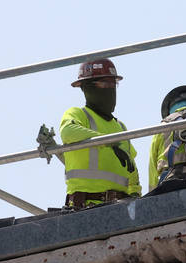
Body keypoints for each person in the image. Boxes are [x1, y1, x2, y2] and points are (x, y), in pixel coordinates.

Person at [60, 58, 141, 208]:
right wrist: (108, 142)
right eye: (104, 84)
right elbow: (68, 132)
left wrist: (136, 195)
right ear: (86, 88)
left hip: (120, 208)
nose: (110, 89)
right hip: (85, 207)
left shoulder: (121, 127)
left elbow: (131, 170)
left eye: (113, 84)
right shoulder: (78, 114)